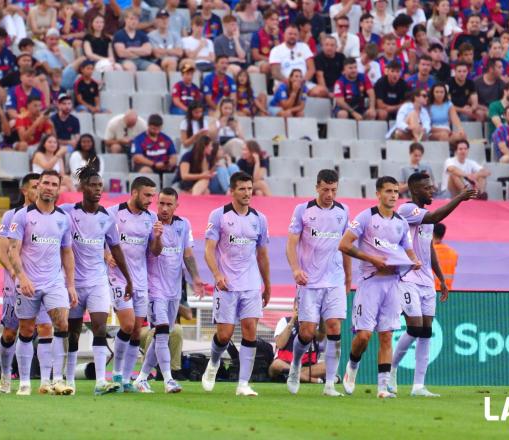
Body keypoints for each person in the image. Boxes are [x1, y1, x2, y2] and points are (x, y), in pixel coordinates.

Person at [390, 172, 476, 397]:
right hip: (408, 277)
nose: (432, 191)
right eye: (427, 188)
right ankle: (391, 368)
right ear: (416, 190)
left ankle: (418, 386)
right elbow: (436, 217)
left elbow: (429, 249)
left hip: (427, 281)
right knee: (415, 327)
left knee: (426, 332)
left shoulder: (426, 217)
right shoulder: (407, 210)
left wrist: (441, 279)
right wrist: (459, 197)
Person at [338, 176, 421, 398]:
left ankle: (382, 388)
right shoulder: (366, 217)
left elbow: (408, 249)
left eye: (396, 191)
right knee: (364, 336)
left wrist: (414, 261)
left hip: (392, 283)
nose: (393, 195)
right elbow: (344, 244)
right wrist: (371, 258)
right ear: (378, 194)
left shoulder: (401, 223)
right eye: (388, 191)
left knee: (386, 336)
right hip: (370, 283)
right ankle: (352, 368)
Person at [59, 163, 132, 395]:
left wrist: (128, 278)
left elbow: (116, 248)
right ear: (82, 187)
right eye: (93, 185)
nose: (98, 189)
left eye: (100, 185)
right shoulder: (68, 211)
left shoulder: (107, 218)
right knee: (73, 332)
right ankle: (69, 378)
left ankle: (101, 381)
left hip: (98, 281)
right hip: (73, 283)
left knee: (100, 327)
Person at [8, 170, 77, 396]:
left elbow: (67, 252)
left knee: (62, 325)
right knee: (27, 330)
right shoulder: (22, 216)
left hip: (54, 282)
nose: (48, 187)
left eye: (53, 184)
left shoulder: (63, 218)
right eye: (45, 183)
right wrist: (23, 277)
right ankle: (25, 382)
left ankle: (56, 379)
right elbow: (12, 250)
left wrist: (70, 284)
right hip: (28, 282)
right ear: (38, 187)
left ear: (58, 189)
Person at [201, 171, 271, 397]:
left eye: (250, 188)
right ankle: (213, 363)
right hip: (227, 285)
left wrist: (267, 285)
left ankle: (243, 384)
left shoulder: (259, 218)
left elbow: (262, 255)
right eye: (242, 189)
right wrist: (217, 274)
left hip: (251, 284)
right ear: (232, 191)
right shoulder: (218, 215)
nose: (247, 193)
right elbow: (209, 250)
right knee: (224, 334)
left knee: (250, 330)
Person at [284, 169, 351, 396]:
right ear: (317, 187)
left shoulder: (343, 211)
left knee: (334, 328)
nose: (329, 194)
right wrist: (295, 269)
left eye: (333, 190)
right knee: (307, 332)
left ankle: (330, 384)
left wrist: (348, 279)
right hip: (309, 281)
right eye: (325, 190)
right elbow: (291, 243)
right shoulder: (302, 210)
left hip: (335, 280)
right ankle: (295, 366)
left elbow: (346, 246)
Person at [134, 188, 205, 393]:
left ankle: (141, 378)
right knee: (163, 331)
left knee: (161, 337)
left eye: (168, 204)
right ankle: (168, 380)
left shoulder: (184, 225)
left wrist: (197, 278)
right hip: (155, 288)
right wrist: (156, 236)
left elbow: (188, 254)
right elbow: (155, 251)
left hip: (174, 290)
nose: (164, 208)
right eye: (161, 204)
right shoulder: (150, 224)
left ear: (176, 205)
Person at [0, 173, 54, 394]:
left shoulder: (48, 217)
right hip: (15, 284)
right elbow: (1, 251)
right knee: (10, 332)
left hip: (42, 284)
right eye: (35, 186)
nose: (39, 189)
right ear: (24, 191)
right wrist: (17, 275)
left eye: (42, 185)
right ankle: (5, 374)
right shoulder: (11, 216)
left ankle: (45, 381)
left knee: (45, 327)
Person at [106, 176, 163, 392]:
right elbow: (99, 237)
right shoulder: (114, 213)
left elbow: (155, 252)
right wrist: (105, 254)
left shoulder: (152, 218)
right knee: (128, 325)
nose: (151, 200)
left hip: (141, 280)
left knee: (136, 332)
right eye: (147, 195)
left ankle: (127, 379)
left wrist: (157, 237)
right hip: (118, 277)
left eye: (153, 196)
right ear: (134, 193)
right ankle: (117, 374)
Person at [270, 301, 326, 384]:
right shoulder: (284, 321)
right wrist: (293, 320)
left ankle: (291, 376)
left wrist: (321, 317)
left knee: (327, 366)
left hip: (306, 366)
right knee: (276, 365)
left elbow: (321, 337)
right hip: (285, 363)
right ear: (294, 306)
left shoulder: (313, 324)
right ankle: (313, 380)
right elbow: (280, 344)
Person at [269, 24, 322, 96]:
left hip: (303, 82)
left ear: (298, 36)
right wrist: (290, 83)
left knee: (321, 91)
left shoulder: (304, 47)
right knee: (289, 93)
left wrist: (302, 82)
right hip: (284, 83)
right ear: (284, 35)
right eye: (290, 34)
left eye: (295, 34)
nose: (292, 36)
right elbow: (275, 72)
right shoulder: (276, 50)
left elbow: (311, 69)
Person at [148, 9, 184, 73]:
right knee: (171, 62)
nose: (164, 21)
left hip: (176, 60)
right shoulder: (151, 36)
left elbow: (180, 52)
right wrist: (173, 51)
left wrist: (164, 51)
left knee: (189, 63)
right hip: (159, 62)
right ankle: (172, 83)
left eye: (166, 18)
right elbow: (157, 54)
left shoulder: (175, 35)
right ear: (156, 20)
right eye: (162, 18)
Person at [250, 9, 282, 75]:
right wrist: (270, 60)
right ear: (265, 20)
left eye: (276, 20)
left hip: (277, 61)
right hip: (262, 61)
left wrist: (275, 36)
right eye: (272, 19)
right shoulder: (257, 34)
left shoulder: (280, 34)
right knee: (267, 66)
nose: (275, 22)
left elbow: (280, 53)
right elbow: (255, 55)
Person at [432, 223, 457, 291]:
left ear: (432, 233)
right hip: (447, 291)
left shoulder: (427, 252)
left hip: (430, 291)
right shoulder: (453, 253)